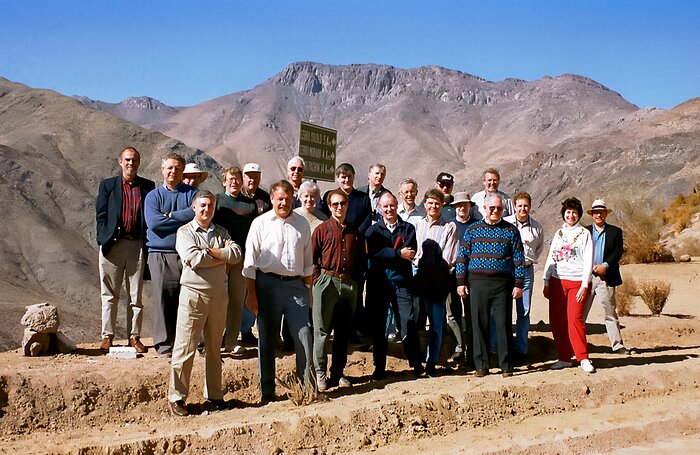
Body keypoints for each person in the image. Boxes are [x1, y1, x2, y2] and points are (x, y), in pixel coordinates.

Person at [169, 190, 242, 417]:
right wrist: (221, 255)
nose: (206, 209)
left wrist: (209, 251)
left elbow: (237, 253)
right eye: (202, 205)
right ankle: (177, 397)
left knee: (214, 349)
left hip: (219, 297)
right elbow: (194, 259)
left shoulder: (221, 232)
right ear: (194, 207)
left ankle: (215, 395)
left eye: (210, 205)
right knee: (185, 347)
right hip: (193, 296)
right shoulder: (184, 232)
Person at [243, 180, 314, 402]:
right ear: (272, 199)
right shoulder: (260, 223)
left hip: (296, 286)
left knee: (304, 335)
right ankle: (267, 391)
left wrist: (308, 291)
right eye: (279, 198)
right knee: (267, 338)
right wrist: (252, 293)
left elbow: (308, 261)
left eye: (288, 198)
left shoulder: (302, 224)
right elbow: (249, 262)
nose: (284, 202)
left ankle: (307, 387)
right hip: (267, 285)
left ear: (294, 199)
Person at [456, 193, 525, 378]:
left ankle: (507, 365)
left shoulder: (511, 231)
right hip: (477, 283)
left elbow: (519, 259)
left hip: (502, 284)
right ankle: (481, 365)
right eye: (491, 208)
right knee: (479, 325)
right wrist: (461, 282)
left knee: (503, 324)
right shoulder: (472, 230)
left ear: (503, 210)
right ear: (485, 208)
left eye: (499, 208)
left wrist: (518, 284)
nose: (495, 211)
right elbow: (462, 258)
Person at [95, 146, 155, 353]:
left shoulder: (148, 186)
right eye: (128, 160)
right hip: (113, 245)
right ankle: (107, 336)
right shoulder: (108, 186)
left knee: (136, 296)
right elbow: (101, 214)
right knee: (109, 294)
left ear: (139, 163)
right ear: (120, 161)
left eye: (135, 160)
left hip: (136, 245)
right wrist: (102, 238)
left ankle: (134, 337)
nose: (131, 163)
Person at [365, 192, 423, 379]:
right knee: (378, 327)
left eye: (392, 205)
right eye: (385, 206)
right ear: (379, 208)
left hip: (401, 283)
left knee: (408, 323)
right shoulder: (372, 231)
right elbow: (375, 253)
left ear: (397, 205)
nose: (389, 209)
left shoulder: (408, 228)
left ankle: (416, 364)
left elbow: (410, 252)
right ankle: (379, 367)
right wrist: (397, 254)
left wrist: (389, 253)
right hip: (378, 285)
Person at [145, 153, 197, 356]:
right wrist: (182, 217)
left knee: (191, 299)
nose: (173, 171)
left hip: (188, 254)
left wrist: (170, 216)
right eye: (169, 168)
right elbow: (154, 223)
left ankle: (191, 343)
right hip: (160, 254)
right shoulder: (153, 196)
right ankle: (164, 345)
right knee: (163, 301)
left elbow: (196, 214)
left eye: (177, 168)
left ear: (182, 171)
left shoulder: (193, 193)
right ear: (162, 169)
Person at [311, 189, 363, 391]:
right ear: (329, 206)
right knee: (322, 330)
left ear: (347, 205)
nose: (339, 207)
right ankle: (320, 373)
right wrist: (318, 280)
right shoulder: (322, 230)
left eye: (342, 203)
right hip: (326, 281)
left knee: (343, 332)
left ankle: (338, 372)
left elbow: (360, 260)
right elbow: (313, 258)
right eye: (335, 204)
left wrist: (356, 282)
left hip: (348, 283)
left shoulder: (354, 232)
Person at [542, 197, 595, 374]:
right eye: (567, 212)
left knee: (574, 320)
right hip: (557, 281)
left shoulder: (585, 234)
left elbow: (589, 260)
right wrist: (546, 280)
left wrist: (584, 285)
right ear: (563, 214)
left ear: (578, 214)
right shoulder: (559, 234)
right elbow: (551, 257)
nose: (570, 215)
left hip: (577, 282)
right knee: (557, 321)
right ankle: (564, 357)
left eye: (573, 212)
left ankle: (583, 357)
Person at [414, 189, 458, 375]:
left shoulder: (449, 227)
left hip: (439, 279)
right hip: (419, 276)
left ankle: (432, 362)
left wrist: (431, 266)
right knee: (416, 321)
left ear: (442, 205)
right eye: (430, 203)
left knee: (436, 323)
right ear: (425, 204)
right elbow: (415, 252)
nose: (433, 206)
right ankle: (417, 362)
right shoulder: (417, 225)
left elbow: (448, 257)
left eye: (437, 203)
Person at [214, 166, 257, 353]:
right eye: (230, 179)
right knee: (219, 301)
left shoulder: (250, 204)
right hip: (220, 258)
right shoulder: (217, 202)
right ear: (224, 181)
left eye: (237, 179)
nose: (234, 182)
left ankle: (231, 341)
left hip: (241, 259)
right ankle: (215, 339)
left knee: (237, 301)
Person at [504, 192, 544, 363]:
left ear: (530, 206)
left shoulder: (536, 227)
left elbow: (539, 248)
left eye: (525, 205)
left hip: (526, 271)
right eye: (519, 205)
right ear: (514, 206)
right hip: (507, 271)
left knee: (524, 311)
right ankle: (502, 347)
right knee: (502, 310)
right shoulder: (505, 224)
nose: (523, 208)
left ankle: (521, 349)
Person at [584, 199, 627, 354]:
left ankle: (617, 345)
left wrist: (605, 266)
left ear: (605, 214)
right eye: (596, 212)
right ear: (592, 214)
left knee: (610, 312)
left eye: (601, 212)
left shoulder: (615, 232)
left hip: (605, 278)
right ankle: (578, 346)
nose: (599, 215)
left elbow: (618, 252)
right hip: (587, 278)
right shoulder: (584, 231)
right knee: (580, 313)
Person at [446, 192, 478, 368]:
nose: (461, 208)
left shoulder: (476, 226)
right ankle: (459, 346)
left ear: (470, 206)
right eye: (458, 205)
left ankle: (473, 351)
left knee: (471, 314)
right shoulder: (450, 226)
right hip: (452, 274)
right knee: (452, 312)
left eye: (464, 205)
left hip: (471, 275)